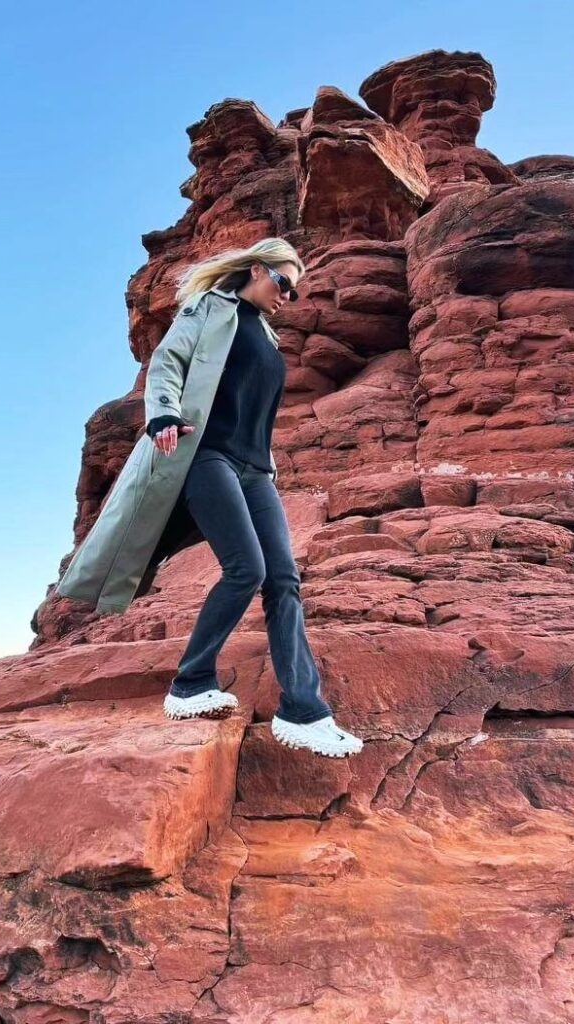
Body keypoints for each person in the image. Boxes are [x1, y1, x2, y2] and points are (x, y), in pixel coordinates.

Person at [150, 238, 363, 758]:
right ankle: (189, 684)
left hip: (254, 470)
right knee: (246, 569)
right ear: (255, 269)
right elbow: (168, 360)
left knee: (284, 579)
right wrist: (160, 412)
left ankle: (303, 709)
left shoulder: (267, 335)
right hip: (208, 456)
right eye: (283, 283)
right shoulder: (211, 309)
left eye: (295, 291)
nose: (287, 296)